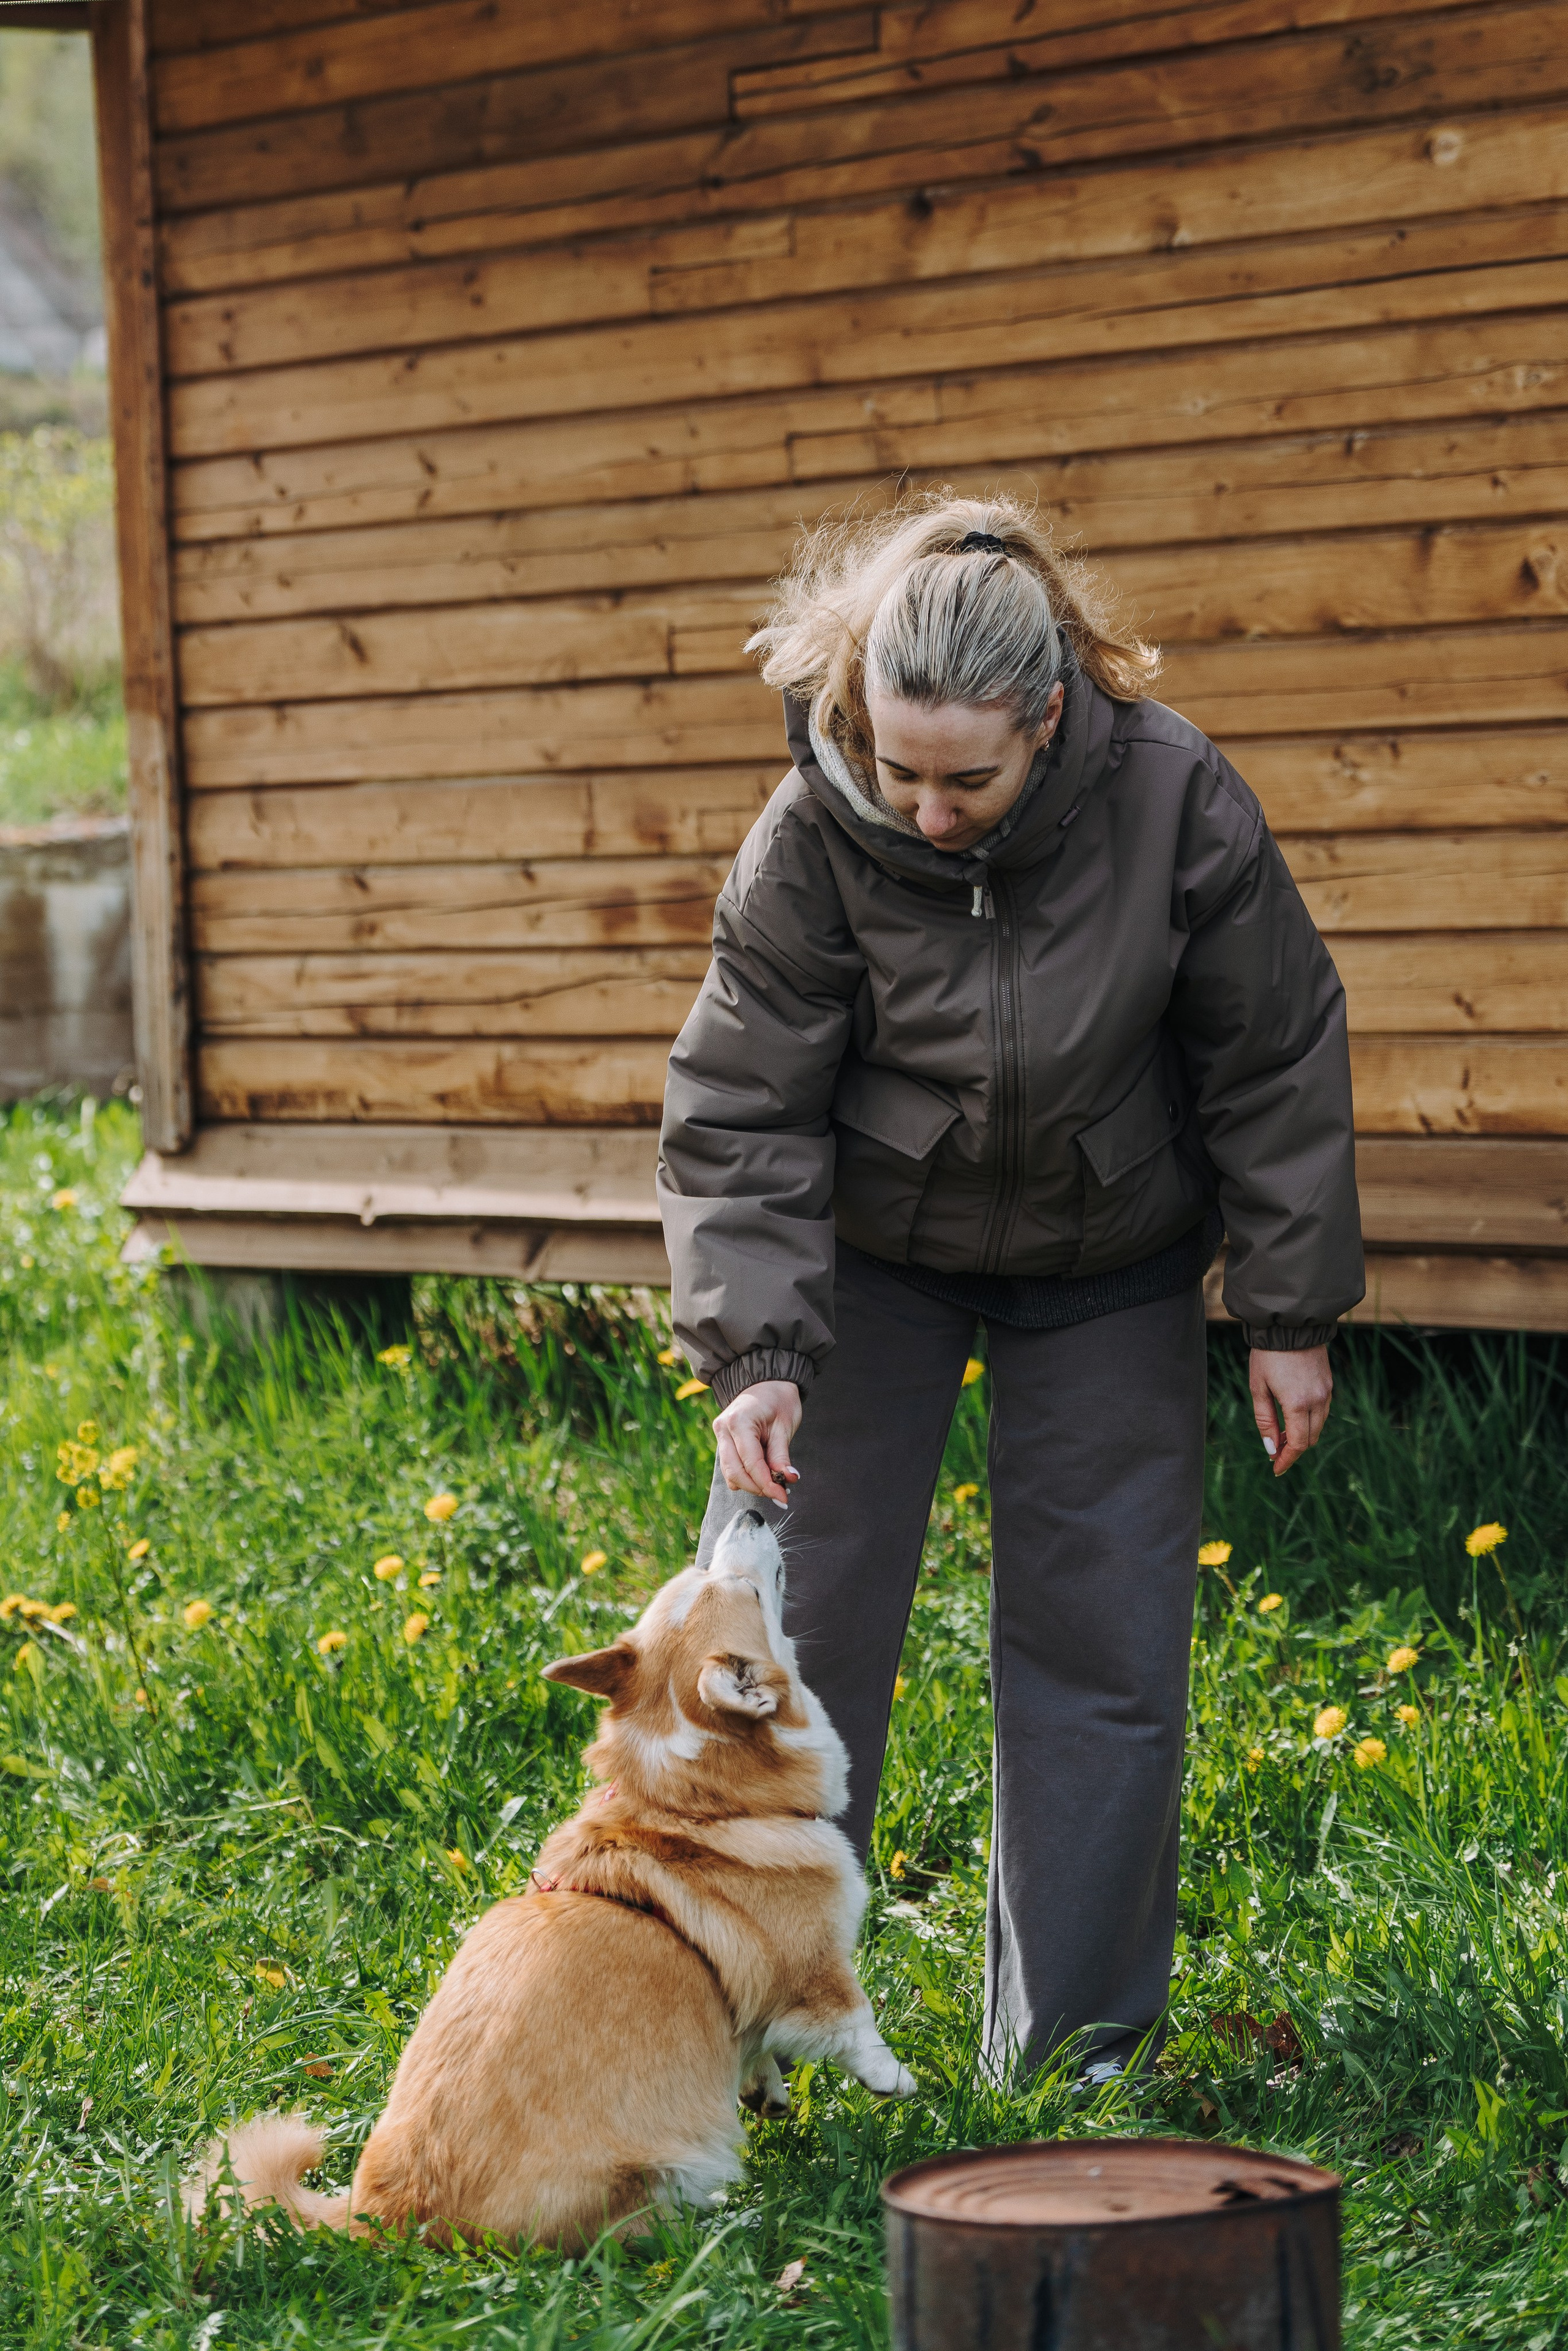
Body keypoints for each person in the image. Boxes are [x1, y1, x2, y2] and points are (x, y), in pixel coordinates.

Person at [657, 491, 1362, 2079]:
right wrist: (757, 1350)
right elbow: (742, 1102)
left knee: (1107, 1655)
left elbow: (1272, 1054)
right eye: (898, 767)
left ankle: (1075, 2054)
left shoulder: (1178, 799)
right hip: (869, 1260)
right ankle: (734, 2025)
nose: (925, 808)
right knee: (781, 1624)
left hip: (1109, 1257)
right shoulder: (815, 829)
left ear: (1051, 716)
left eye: (967, 777)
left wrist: (1291, 1311)